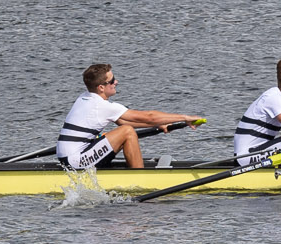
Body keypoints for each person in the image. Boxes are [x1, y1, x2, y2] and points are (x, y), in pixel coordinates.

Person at [56, 63, 201, 171]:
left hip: (68, 158)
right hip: (76, 161)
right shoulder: (102, 106)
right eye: (112, 81)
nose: (116, 82)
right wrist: (185, 117)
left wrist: (158, 125)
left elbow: (122, 120)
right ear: (101, 87)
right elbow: (149, 117)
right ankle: (139, 177)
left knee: (126, 128)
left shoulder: (84, 97)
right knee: (127, 132)